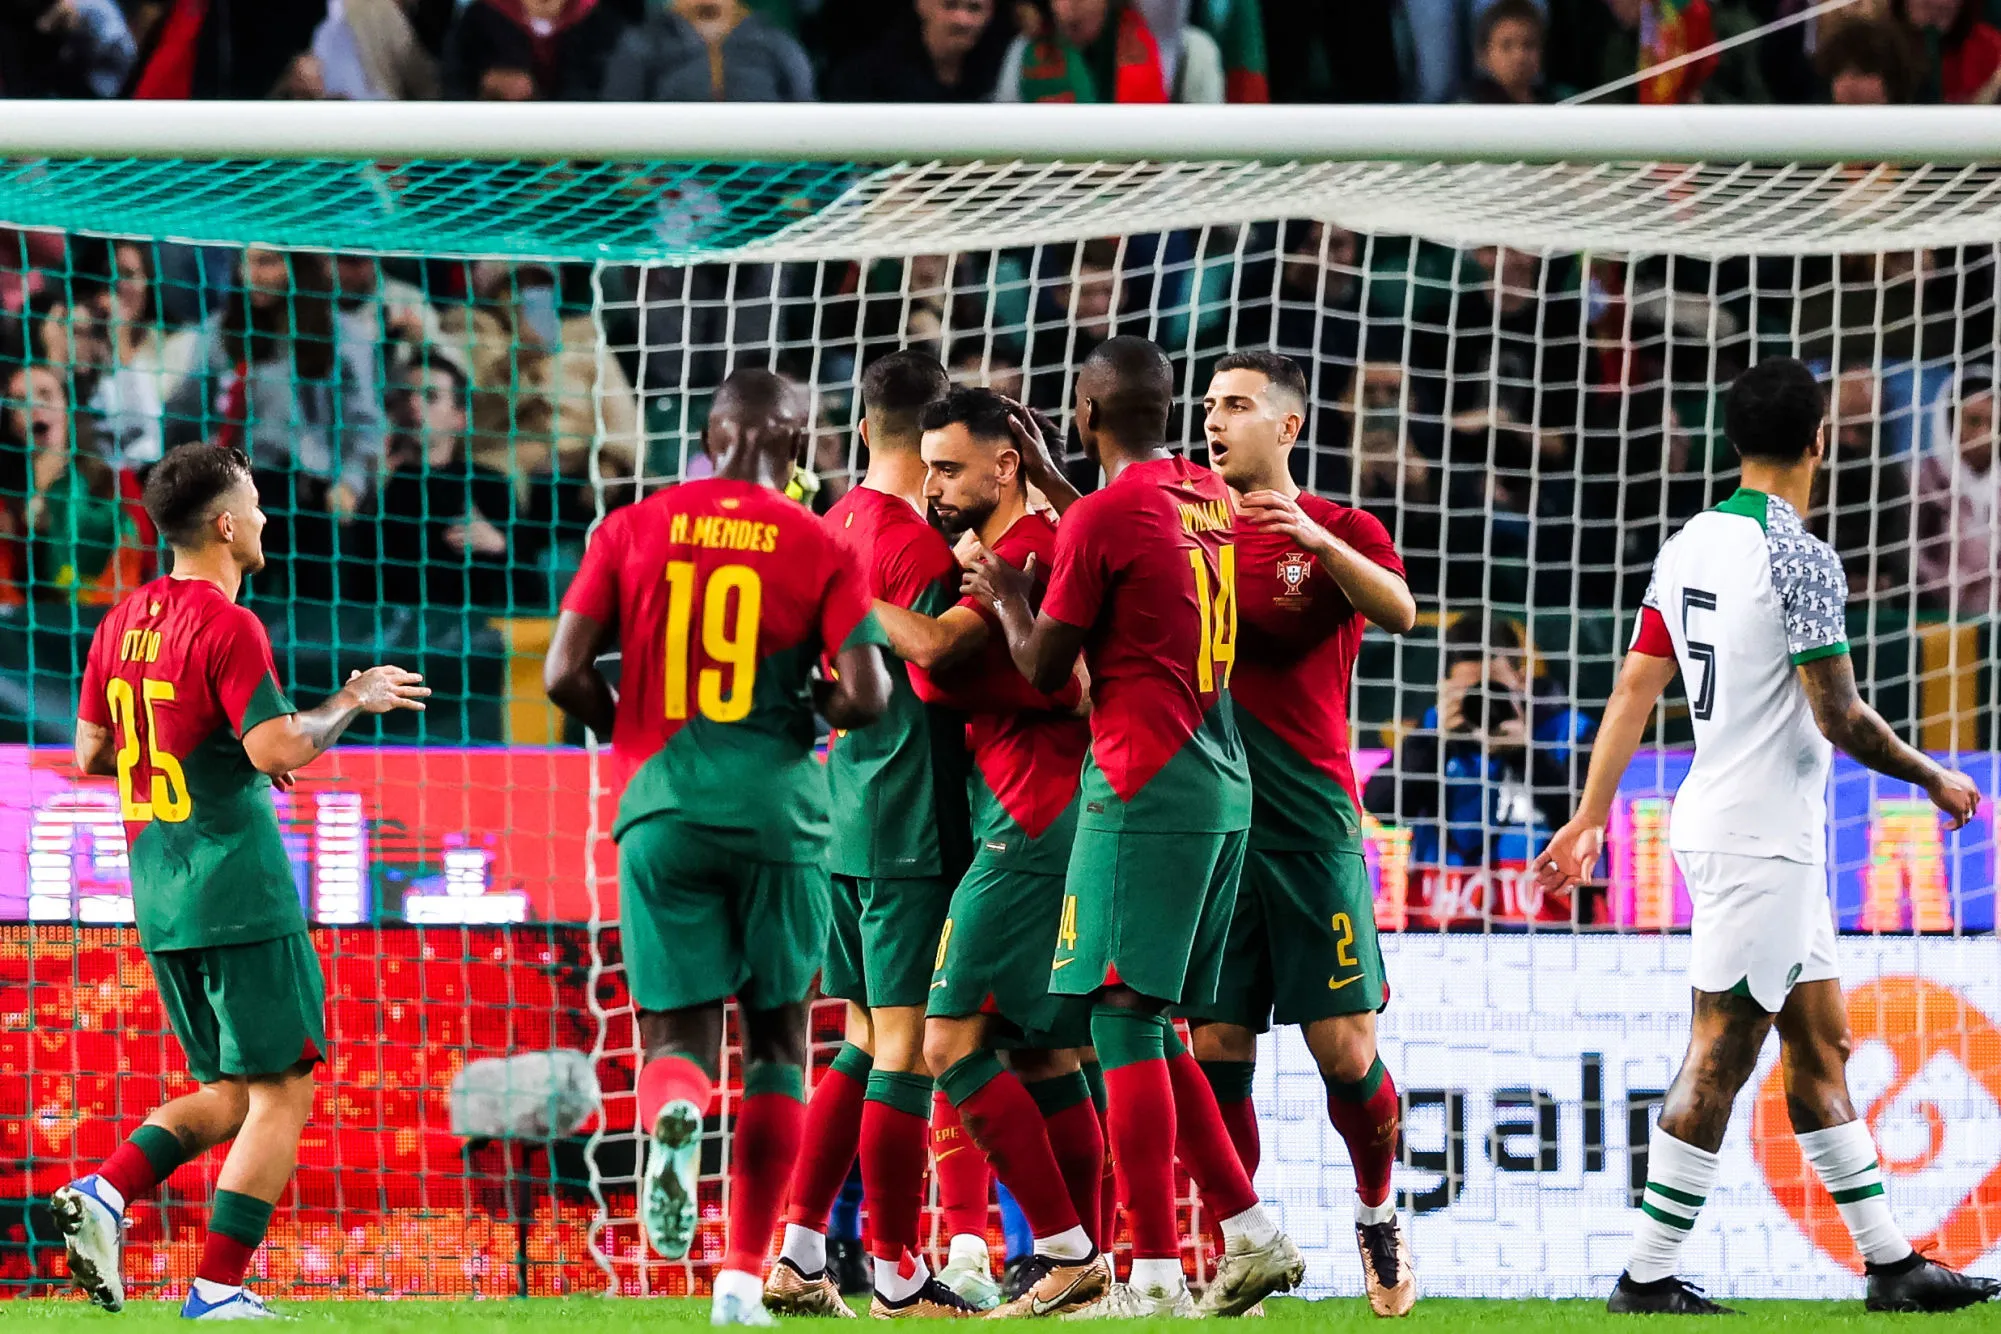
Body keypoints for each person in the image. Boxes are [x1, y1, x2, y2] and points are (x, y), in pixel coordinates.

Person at [1536, 357, 2000, 1316]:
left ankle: (1890, 1267)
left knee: (1821, 1045)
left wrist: (1588, 814)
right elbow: (1839, 715)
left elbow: (1633, 688)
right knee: (1718, 1052)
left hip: (1733, 823)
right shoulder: (1798, 555)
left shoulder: (1689, 542)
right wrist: (1932, 774)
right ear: (1820, 439)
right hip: (1760, 839)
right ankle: (1644, 1278)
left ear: (1731, 439)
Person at [542, 369, 893, 1326]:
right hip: (779, 813)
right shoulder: (819, 541)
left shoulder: (632, 527)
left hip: (662, 809)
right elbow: (867, 697)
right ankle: (741, 1279)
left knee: (676, 1035)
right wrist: (805, 706)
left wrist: (637, 739)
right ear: (798, 441)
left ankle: (673, 1108)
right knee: (780, 1042)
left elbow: (563, 673)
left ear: (710, 437)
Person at [962, 335, 1302, 1319]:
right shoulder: (1204, 495)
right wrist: (1060, 482)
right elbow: (1122, 528)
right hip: (1220, 779)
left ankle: (1154, 1272)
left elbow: (1041, 666)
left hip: (1142, 783)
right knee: (1148, 1020)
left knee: (1119, 1019)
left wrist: (1004, 590)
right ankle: (1246, 1232)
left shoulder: (1102, 517)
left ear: (1083, 414)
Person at [54, 443, 428, 1320]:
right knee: (286, 1089)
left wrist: (223, 748)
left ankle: (105, 1192)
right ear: (225, 525)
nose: (263, 517)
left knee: (231, 1093)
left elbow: (91, 754)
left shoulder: (122, 619)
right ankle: (218, 1290)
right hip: (238, 889)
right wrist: (352, 698)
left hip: (162, 892)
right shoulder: (229, 625)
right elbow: (278, 746)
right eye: (253, 503)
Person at [1185, 352, 1420, 1318]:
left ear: (1286, 426)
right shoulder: (1184, 528)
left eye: (1236, 405)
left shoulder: (1342, 527)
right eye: (1208, 405)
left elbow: (1399, 611)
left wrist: (1315, 540)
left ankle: (1376, 1212)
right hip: (1211, 828)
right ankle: (1238, 1245)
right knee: (1216, 1050)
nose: (1214, 420)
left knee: (1345, 1052)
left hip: (1310, 824)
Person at [865, 387, 1107, 1316]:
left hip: (1030, 818)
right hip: (1030, 809)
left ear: (1004, 467)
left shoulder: (1031, 550)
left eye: (948, 468)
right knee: (1045, 1056)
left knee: (947, 1042)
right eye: (926, 466)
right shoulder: (1011, 543)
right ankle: (1091, 1265)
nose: (929, 485)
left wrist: (838, 589)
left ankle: (1070, 1251)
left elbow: (938, 652)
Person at [765, 351, 978, 1319]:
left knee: (856, 1038)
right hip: (910, 815)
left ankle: (800, 1250)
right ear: (936, 441)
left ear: (860, 430)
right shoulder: (925, 555)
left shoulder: (828, 525)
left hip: (840, 809)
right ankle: (896, 1270)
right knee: (905, 1047)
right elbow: (950, 680)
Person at [1363, 613, 1594, 877]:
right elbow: (1382, 807)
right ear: (1447, 687)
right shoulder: (1435, 728)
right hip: (1443, 899)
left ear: (1521, 678)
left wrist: (1525, 755)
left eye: (1495, 689)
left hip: (1540, 898)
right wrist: (1434, 742)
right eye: (1471, 692)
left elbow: (1585, 819)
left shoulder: (1569, 731)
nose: (1483, 701)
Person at [994, 0, 1223, 103]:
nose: (1064, 9)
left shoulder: (1187, 50)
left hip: (1157, 185)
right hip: (1054, 185)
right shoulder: (1026, 49)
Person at [599, 0, 815, 100]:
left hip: (766, 173)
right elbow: (617, 119)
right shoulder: (642, 43)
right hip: (671, 173)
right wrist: (633, 173)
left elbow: (807, 115)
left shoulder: (774, 42)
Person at [1915, 367, 2000, 617]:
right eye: (1974, 421)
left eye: (1994, 424)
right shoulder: (1922, 483)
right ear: (1949, 422)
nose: (1985, 434)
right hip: (1935, 620)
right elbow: (1912, 561)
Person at [824, 0, 1012, 101]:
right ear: (922, 5)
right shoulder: (865, 75)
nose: (961, 20)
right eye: (950, 5)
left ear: (990, 13)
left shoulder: (1003, 66)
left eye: (974, 8)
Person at [1464, 0, 1547, 102]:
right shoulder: (1469, 107)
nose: (1520, 56)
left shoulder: (1557, 103)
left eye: (1529, 45)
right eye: (1506, 46)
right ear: (1484, 53)